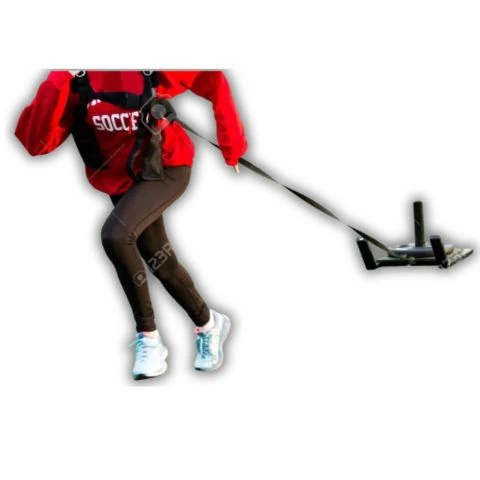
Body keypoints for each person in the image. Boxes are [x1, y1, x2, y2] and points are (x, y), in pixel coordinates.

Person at [15, 70, 247, 380]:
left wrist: (232, 146)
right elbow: (36, 143)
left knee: (115, 235)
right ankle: (209, 324)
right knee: (160, 261)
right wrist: (58, 79)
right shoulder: (73, 79)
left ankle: (148, 337)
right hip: (121, 179)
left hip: (165, 167)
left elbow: (212, 78)